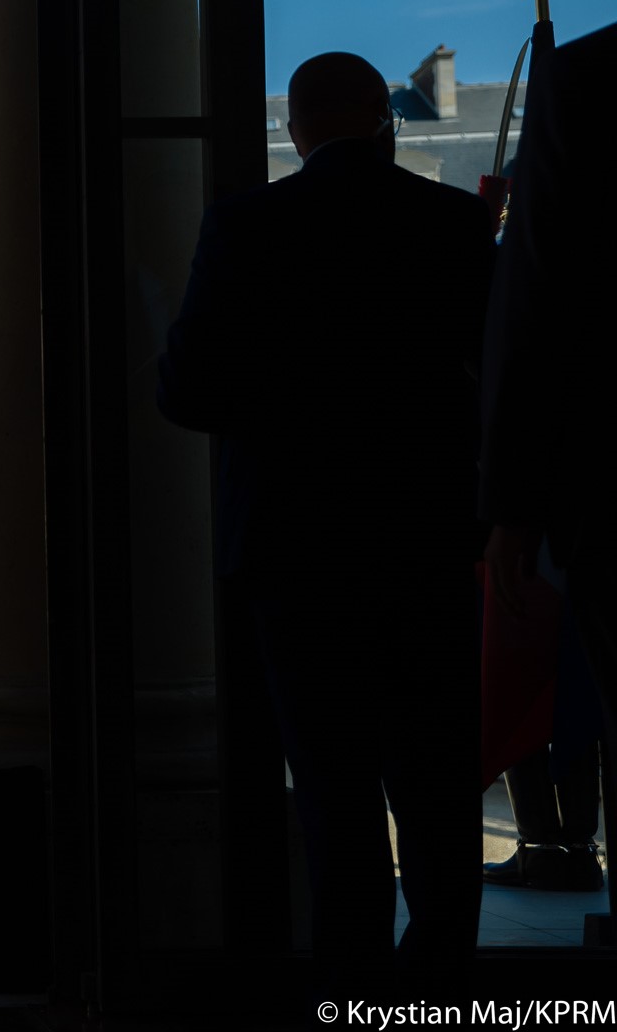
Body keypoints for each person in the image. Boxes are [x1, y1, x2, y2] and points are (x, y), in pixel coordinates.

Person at [157, 53, 496, 1000]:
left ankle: (355, 993)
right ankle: (441, 991)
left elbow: (186, 390)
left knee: (334, 795)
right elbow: (498, 381)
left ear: (295, 130)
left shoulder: (246, 225)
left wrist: (285, 405)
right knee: (435, 789)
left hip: (295, 551)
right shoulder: (454, 222)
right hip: (427, 543)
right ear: (385, 119)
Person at [480, 20, 617, 923]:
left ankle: (558, 843)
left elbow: (534, 317)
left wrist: (512, 503)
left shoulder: (586, 82)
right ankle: (557, 840)